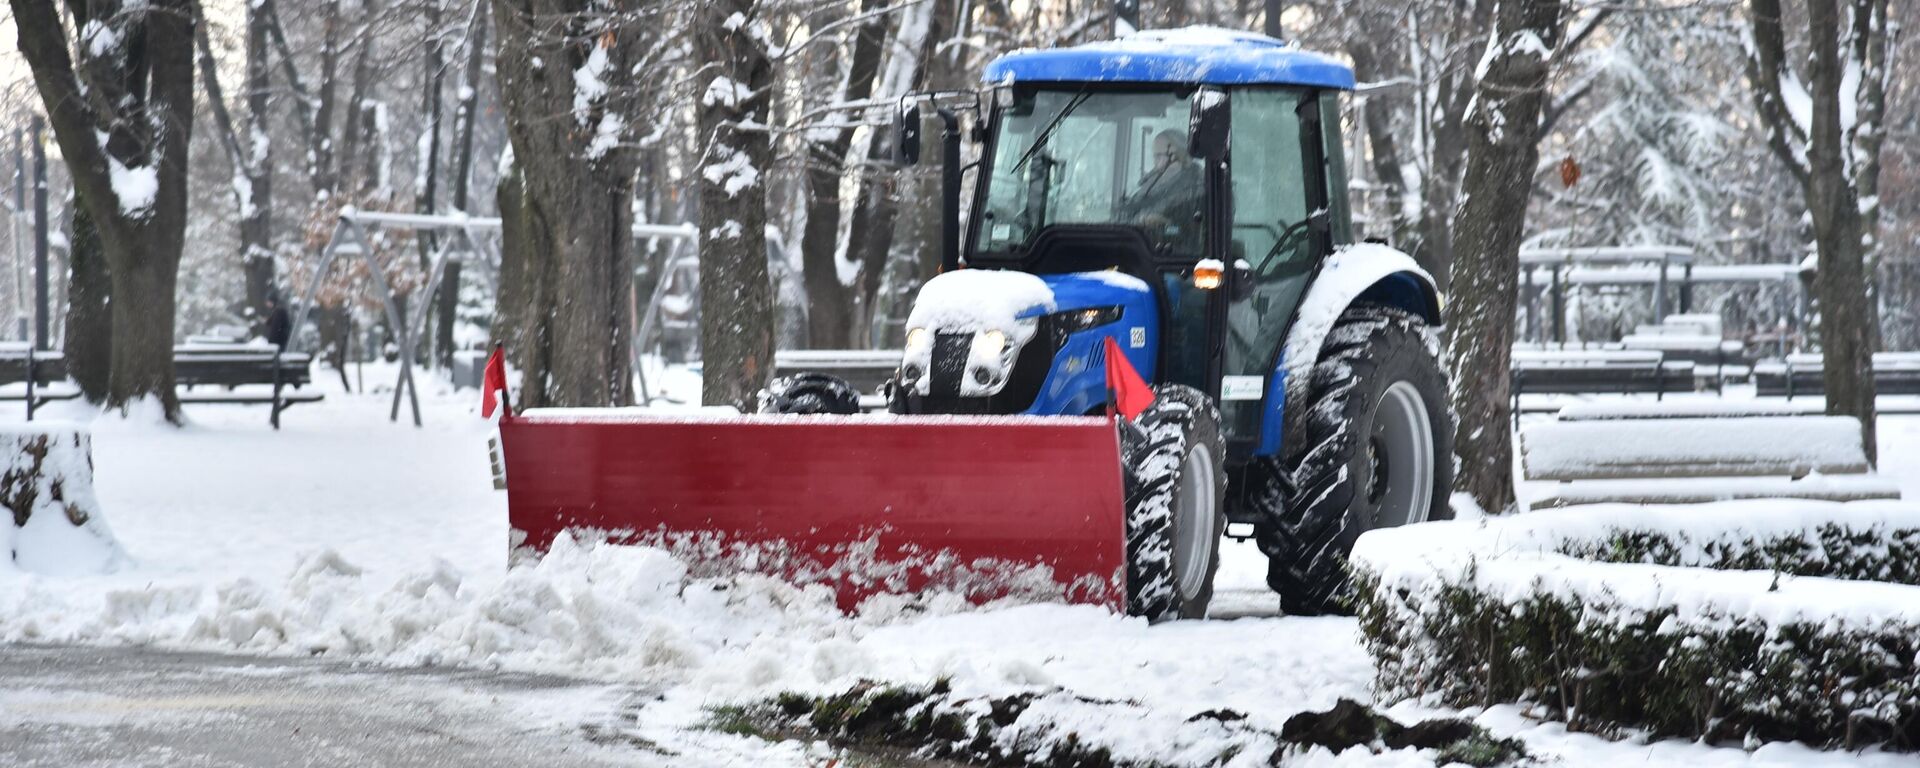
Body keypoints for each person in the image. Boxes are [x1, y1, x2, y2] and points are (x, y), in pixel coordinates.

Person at [1116, 129, 1203, 232]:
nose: (1155, 162)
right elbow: (1123, 216)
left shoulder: (1195, 190)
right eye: (1155, 156)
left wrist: (1165, 227)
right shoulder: (1149, 183)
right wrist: (1140, 221)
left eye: (1158, 156)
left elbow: (1190, 232)